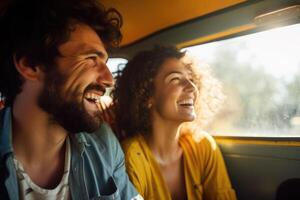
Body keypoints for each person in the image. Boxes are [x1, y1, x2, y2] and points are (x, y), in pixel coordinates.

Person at [0, 0, 142, 199]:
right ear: (30, 65)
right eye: (91, 59)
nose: (109, 80)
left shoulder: (104, 143)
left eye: (105, 62)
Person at [113, 46, 237, 200]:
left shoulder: (203, 146)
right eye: (175, 79)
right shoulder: (131, 158)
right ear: (146, 95)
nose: (192, 88)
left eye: (191, 80)